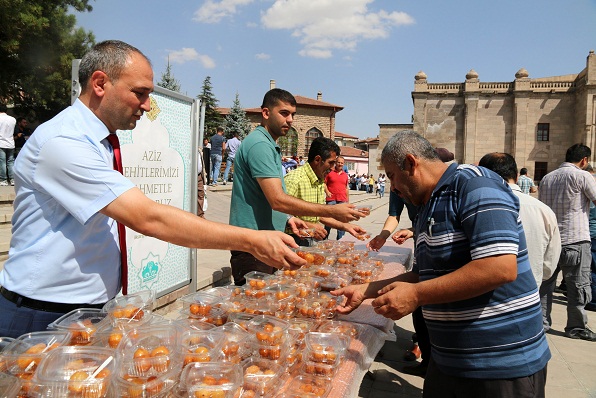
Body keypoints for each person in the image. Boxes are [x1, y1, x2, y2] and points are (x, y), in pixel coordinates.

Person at [0, 40, 305, 338]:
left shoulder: (98, 141)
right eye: (140, 93)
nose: (147, 105)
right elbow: (148, 218)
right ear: (100, 83)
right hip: (41, 315)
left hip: (83, 310)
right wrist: (252, 240)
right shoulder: (64, 142)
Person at [333, 131, 550, 397]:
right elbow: (425, 275)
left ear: (411, 164)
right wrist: (365, 290)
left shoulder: (475, 185)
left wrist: (416, 295)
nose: (392, 186)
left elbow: (499, 267)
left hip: (499, 365)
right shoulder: (428, 203)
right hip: (449, 359)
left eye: (391, 175)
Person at [229, 88, 366, 285]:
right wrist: (334, 211)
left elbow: (265, 198)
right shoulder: (260, 145)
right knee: (254, 310)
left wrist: (288, 219)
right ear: (266, 113)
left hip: (266, 241)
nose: (291, 120)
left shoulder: (269, 145)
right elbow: (277, 200)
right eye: (284, 113)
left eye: (293, 114)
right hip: (253, 244)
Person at [479, 152, 562, 332]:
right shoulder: (543, 211)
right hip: (530, 297)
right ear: (516, 176)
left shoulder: (475, 207)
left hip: (484, 305)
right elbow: (550, 264)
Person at [539, 143, 596, 341]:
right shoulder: (582, 176)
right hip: (575, 240)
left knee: (545, 286)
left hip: (550, 240)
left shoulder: (547, 178)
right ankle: (576, 327)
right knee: (577, 287)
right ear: (584, 160)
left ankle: (541, 325)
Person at [286, 138, 365, 246]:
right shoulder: (294, 179)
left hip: (309, 241)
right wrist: (309, 225)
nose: (333, 168)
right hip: (292, 241)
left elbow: (319, 215)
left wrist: (345, 226)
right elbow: (279, 215)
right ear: (318, 160)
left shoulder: (319, 180)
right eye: (331, 163)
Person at [324, 156, 349, 240]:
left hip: (342, 200)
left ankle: (340, 240)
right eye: (338, 162)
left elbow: (346, 188)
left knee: (342, 222)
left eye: (342, 163)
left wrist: (347, 201)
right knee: (329, 221)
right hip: (331, 200)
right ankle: (325, 238)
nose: (340, 164)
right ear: (335, 163)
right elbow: (324, 184)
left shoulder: (345, 175)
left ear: (343, 164)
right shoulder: (329, 173)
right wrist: (327, 192)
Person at [0, 104, 16, 186]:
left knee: (2, 162)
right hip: (10, 142)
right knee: (10, 162)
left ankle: (3, 179)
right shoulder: (12, 119)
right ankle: (13, 179)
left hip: (1, 143)